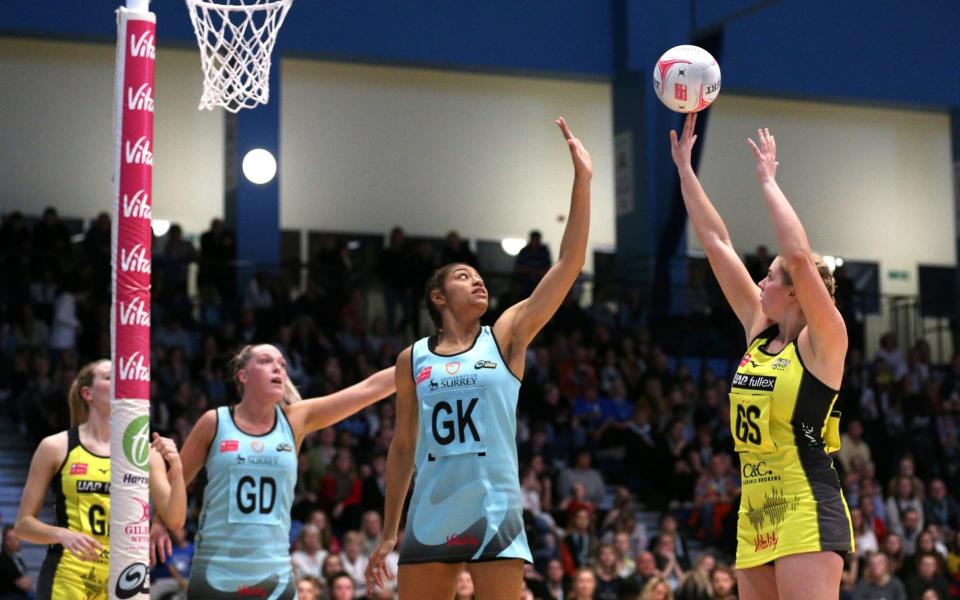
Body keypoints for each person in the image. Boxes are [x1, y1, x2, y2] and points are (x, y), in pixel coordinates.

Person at [366, 117, 592, 599]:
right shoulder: (413, 359)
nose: (477, 281)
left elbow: (569, 263)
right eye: (463, 276)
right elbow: (403, 446)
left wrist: (583, 182)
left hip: (495, 507)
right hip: (431, 509)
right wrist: (389, 530)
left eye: (478, 275)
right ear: (438, 298)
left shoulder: (506, 335)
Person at [671, 114, 853, 598]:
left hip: (805, 502)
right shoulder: (759, 329)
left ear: (797, 293)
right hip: (755, 506)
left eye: (769, 277)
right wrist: (685, 171)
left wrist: (768, 181)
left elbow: (796, 256)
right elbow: (715, 242)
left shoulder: (825, 339)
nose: (760, 282)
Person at [153, 344, 394, 599]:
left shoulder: (295, 420)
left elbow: (368, 389)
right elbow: (176, 482)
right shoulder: (215, 422)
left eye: (282, 364)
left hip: (273, 575)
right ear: (242, 376)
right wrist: (159, 520)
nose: (278, 367)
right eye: (266, 361)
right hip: (216, 571)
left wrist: (417, 360)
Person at [14, 359, 186, 600]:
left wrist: (176, 468)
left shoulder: (145, 453)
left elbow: (176, 520)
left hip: (127, 572)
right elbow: (23, 525)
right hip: (70, 574)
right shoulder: (56, 446)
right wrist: (63, 534)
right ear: (88, 393)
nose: (118, 381)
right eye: (108, 376)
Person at [0, 526, 32, 600]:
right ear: (4, 541)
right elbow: (24, 585)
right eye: (9, 539)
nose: (13, 542)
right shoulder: (3, 560)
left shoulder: (17, 558)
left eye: (16, 538)